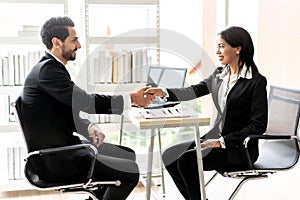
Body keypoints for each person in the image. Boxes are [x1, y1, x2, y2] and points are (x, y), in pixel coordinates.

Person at [21, 16, 155, 200]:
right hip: (57, 159)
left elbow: (66, 111)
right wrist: (132, 99)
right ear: (56, 43)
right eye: (74, 40)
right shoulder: (48, 71)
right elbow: (84, 101)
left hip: (62, 150)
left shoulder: (50, 68)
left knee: (127, 155)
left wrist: (89, 127)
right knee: (130, 172)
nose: (79, 45)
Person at [145, 26, 268, 199]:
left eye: (221, 46)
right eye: (217, 46)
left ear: (238, 48)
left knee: (188, 160)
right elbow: (193, 91)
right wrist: (163, 92)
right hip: (214, 140)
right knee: (169, 155)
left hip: (239, 149)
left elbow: (258, 126)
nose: (217, 51)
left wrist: (222, 142)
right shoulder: (219, 75)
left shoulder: (256, 82)